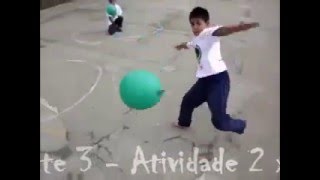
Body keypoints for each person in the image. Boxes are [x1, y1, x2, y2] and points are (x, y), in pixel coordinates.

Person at [173, 7, 259, 134]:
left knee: (219, 122)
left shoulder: (209, 33)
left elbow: (223, 30)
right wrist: (181, 46)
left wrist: (239, 27)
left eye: (198, 23)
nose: (195, 27)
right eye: (192, 24)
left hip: (218, 81)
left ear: (207, 24)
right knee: (187, 101)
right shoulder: (197, 39)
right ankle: (183, 123)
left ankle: (242, 125)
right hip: (204, 82)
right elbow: (190, 44)